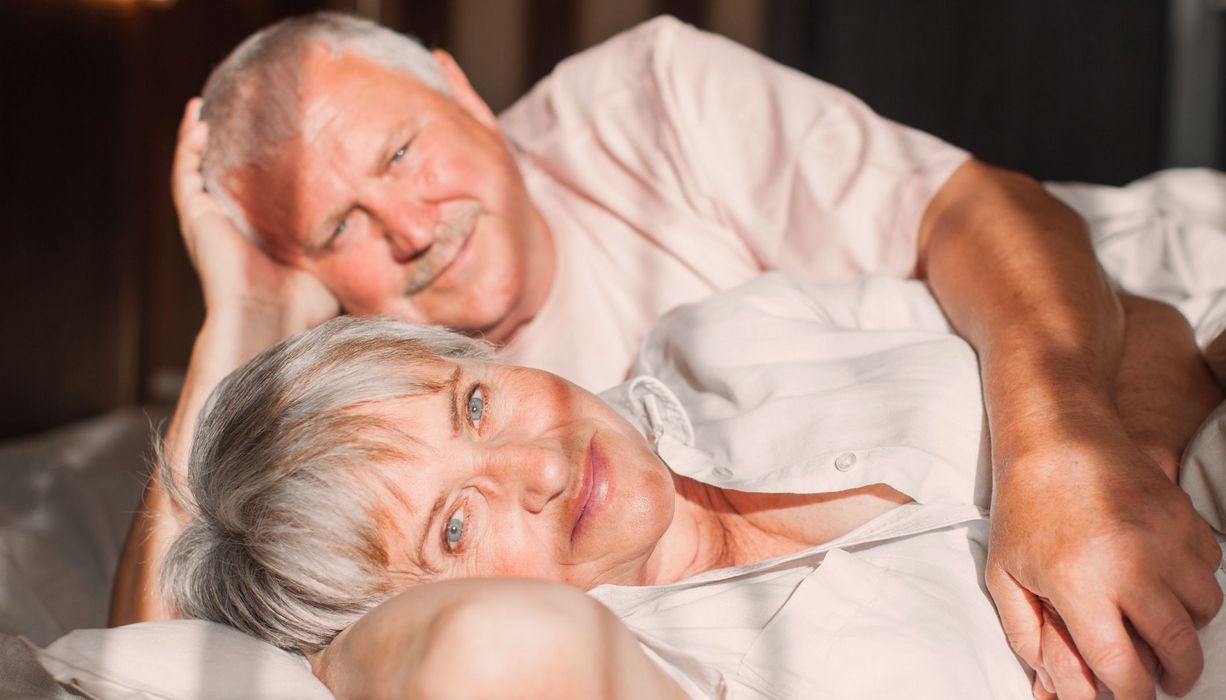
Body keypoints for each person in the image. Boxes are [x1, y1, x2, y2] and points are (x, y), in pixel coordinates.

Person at [111, 12, 1226, 699]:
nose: (407, 224)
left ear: (463, 92)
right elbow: (154, 662)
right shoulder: (373, 450)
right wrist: (240, 321)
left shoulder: (645, 126)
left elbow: (991, 220)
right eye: (335, 227)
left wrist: (1079, 470)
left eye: (403, 152)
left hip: (1110, 295)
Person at [158, 273, 1225, 699]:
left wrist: (1108, 475)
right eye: (452, 525)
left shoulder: (720, 333)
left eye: (472, 404)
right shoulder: (659, 676)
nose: (538, 466)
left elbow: (1142, 322)